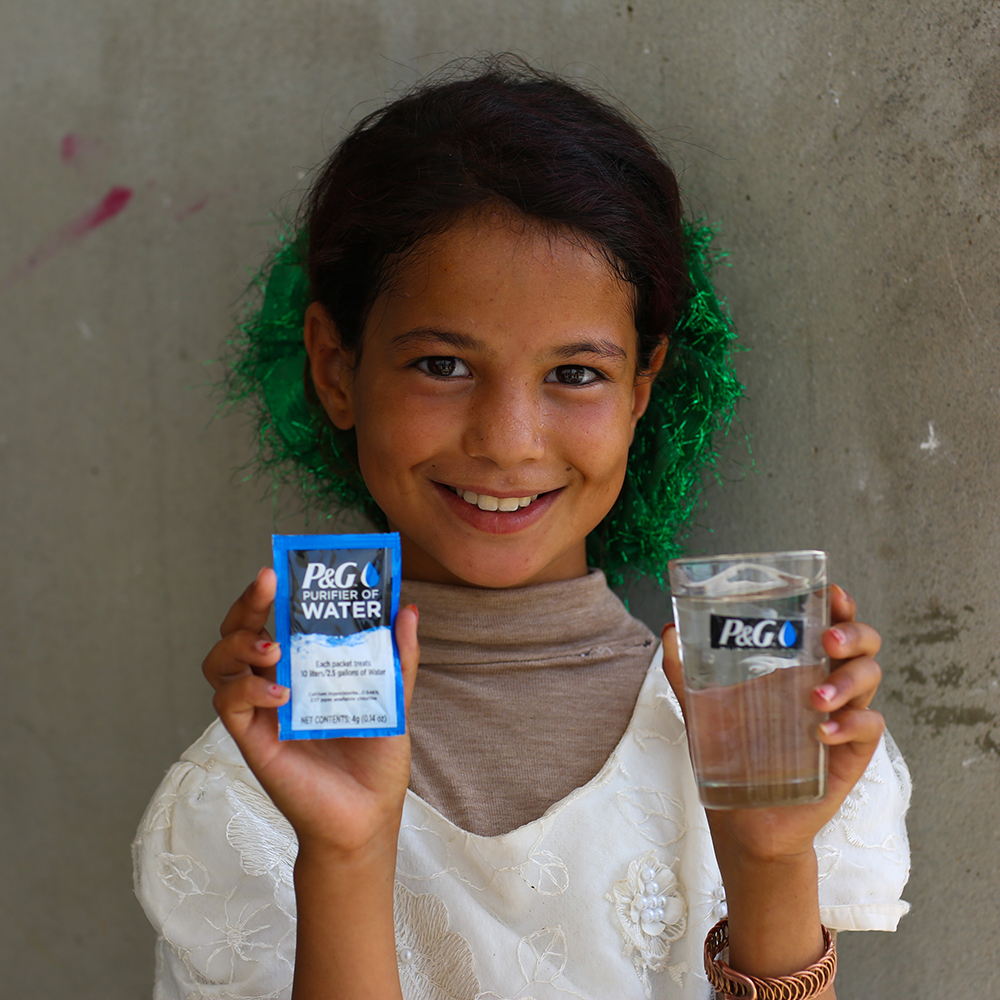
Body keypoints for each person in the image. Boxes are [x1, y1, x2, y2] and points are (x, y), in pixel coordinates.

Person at [133, 58, 910, 1000]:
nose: (507, 443)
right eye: (442, 365)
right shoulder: (256, 781)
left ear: (643, 389)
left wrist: (771, 862)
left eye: (575, 374)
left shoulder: (764, 738)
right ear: (335, 368)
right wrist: (342, 854)